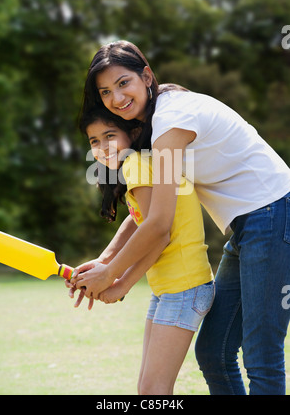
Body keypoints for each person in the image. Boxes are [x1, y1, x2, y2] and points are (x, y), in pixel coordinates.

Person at [71, 40, 290, 395]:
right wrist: (105, 260)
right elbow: (149, 211)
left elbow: (159, 225)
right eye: (106, 91)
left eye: (124, 83)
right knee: (214, 352)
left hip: (275, 212)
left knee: (261, 354)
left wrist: (112, 275)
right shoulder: (156, 126)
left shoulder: (170, 123)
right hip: (248, 225)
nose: (116, 98)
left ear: (146, 76)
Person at [71, 106, 214, 395]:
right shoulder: (142, 163)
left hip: (184, 288)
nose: (102, 147)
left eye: (110, 135)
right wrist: (103, 260)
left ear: (133, 133)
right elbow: (137, 218)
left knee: (153, 391)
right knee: (147, 389)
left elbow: (157, 234)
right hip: (171, 289)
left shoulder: (135, 163)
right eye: (94, 141)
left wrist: (120, 284)